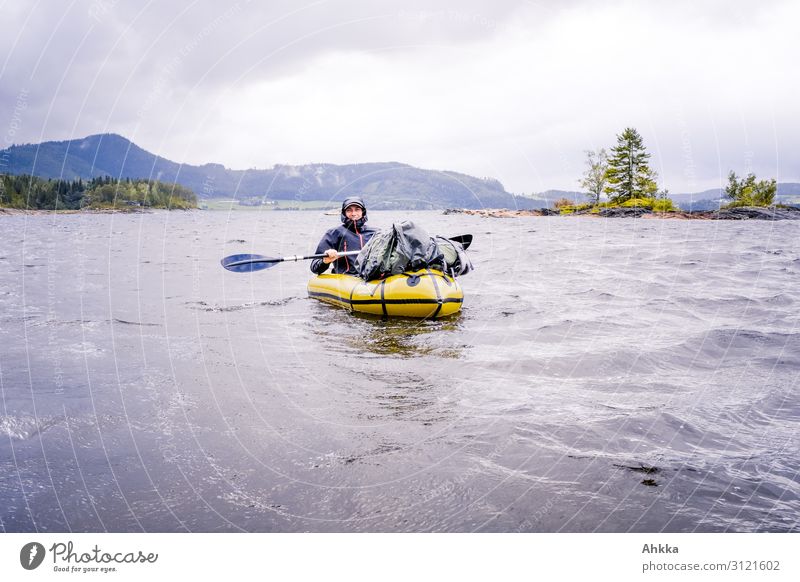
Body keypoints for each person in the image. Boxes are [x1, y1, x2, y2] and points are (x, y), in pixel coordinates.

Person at [310, 196, 377, 275]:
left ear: (363, 212)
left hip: (371, 278)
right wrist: (325, 261)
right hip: (346, 279)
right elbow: (314, 267)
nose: (353, 213)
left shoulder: (375, 232)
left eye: (357, 209)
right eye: (349, 210)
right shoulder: (334, 233)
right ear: (344, 213)